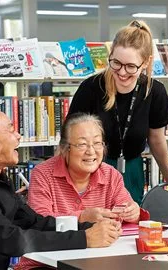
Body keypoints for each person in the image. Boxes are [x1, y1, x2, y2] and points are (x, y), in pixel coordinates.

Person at [0, 105, 121, 269]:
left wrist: (86, 227)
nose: (18, 136)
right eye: (10, 131)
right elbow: (11, 239)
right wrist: (84, 239)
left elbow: (34, 222)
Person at [68, 20, 168, 204]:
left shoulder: (155, 92)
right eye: (116, 63)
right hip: (90, 170)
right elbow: (68, 141)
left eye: (130, 66)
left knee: (130, 224)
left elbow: (156, 139)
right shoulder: (90, 88)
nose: (122, 72)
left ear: (145, 63)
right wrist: (49, 179)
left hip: (131, 170)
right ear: (110, 56)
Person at [17, 112, 143, 269]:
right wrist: (82, 217)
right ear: (64, 148)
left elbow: (127, 210)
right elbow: (39, 220)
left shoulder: (111, 175)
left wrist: (134, 212)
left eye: (97, 143)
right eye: (82, 144)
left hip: (96, 260)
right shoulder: (43, 174)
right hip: (45, 264)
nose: (91, 151)